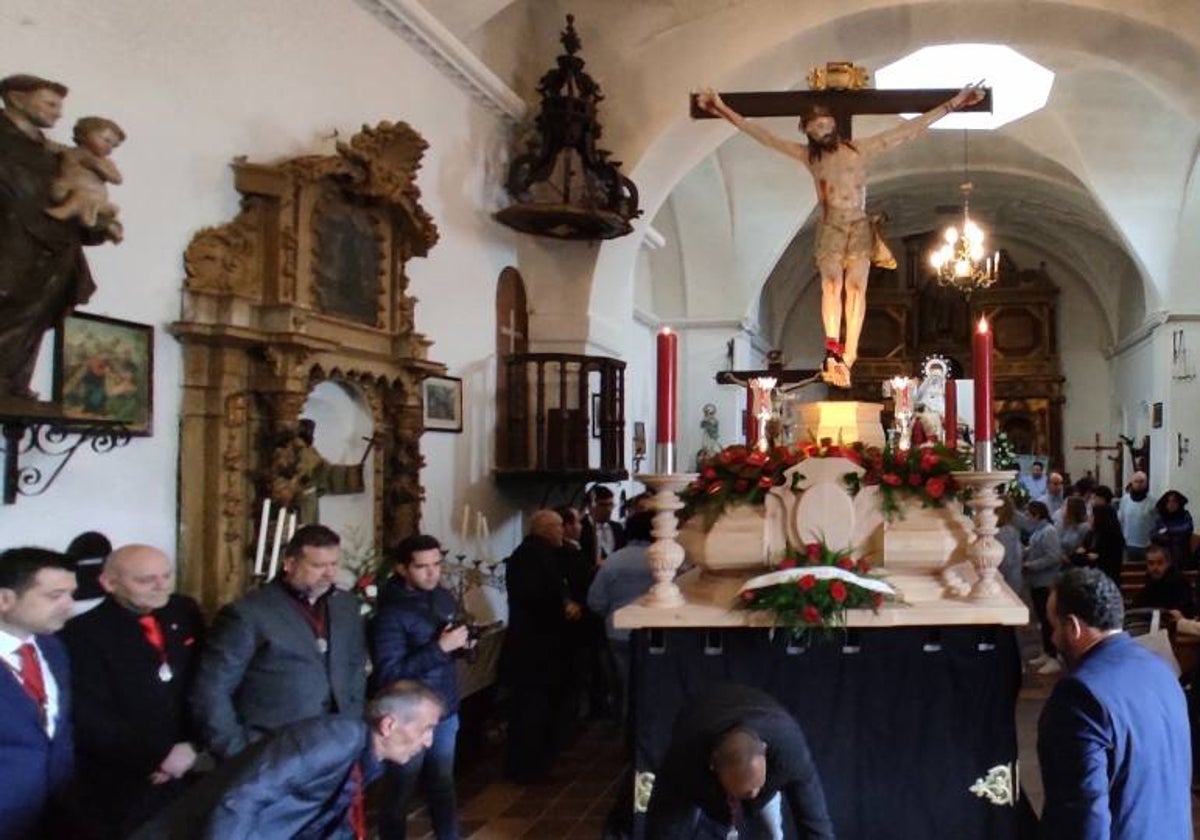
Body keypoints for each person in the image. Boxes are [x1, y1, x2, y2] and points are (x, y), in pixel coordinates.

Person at [696, 84, 983, 388]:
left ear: (833, 124)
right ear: (808, 132)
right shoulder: (809, 157)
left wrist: (954, 103)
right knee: (832, 286)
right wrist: (721, 108)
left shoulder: (860, 149)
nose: (822, 130)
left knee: (856, 289)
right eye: (815, 127)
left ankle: (851, 354)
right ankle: (833, 347)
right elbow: (764, 137)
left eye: (825, 123)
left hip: (859, 225)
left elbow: (908, 130)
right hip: (831, 226)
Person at [130, 680, 444, 840]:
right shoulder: (333, 739)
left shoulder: (367, 757)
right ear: (389, 724)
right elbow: (243, 798)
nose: (429, 741)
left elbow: (330, 819)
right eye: (426, 729)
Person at [58, 544, 205, 839]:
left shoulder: (184, 610)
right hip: (126, 779)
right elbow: (89, 714)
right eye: (145, 580)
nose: (161, 586)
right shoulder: (81, 633)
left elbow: (204, 680)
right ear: (109, 583)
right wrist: (158, 756)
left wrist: (194, 744)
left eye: (166, 575)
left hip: (192, 765)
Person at [1037, 567, 1191, 838]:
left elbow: (1082, 816)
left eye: (1053, 626)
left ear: (1073, 627)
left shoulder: (1079, 696)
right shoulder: (1162, 669)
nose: (1052, 638)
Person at [191, 524, 367, 760]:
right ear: (290, 563)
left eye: (334, 564)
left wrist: (353, 718)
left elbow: (354, 665)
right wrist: (233, 749)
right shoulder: (249, 613)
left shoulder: (345, 604)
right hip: (273, 746)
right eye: (318, 565)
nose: (329, 573)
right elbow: (213, 689)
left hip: (337, 740)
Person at [0, 74, 103, 399]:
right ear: (16, 98)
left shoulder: (53, 153)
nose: (58, 114)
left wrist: (95, 222)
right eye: (50, 103)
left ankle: (12, 386)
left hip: (55, 250)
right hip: (12, 244)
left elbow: (68, 196)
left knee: (32, 321)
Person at [370, 535, 468, 840]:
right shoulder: (390, 612)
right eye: (422, 567)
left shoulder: (442, 597)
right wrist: (441, 648)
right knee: (400, 791)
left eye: (437, 564)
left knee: (443, 785)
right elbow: (390, 673)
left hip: (445, 707)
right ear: (402, 568)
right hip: (408, 715)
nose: (432, 573)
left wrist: (465, 645)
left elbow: (450, 647)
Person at [645, 683, 834, 839]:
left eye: (756, 786)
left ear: (765, 752)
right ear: (714, 765)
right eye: (744, 790)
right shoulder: (684, 759)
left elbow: (815, 824)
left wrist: (758, 791)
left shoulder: (790, 753)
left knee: (771, 832)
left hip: (768, 750)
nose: (752, 794)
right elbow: (662, 826)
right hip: (701, 764)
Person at [499, 509, 581, 783]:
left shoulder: (543, 554)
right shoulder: (529, 556)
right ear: (544, 529)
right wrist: (564, 607)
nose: (563, 531)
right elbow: (535, 598)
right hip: (534, 650)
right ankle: (526, 767)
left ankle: (537, 763)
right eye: (558, 526)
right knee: (530, 711)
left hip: (543, 648)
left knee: (541, 709)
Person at [0, 547, 76, 840]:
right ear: (5, 599)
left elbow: (58, 730)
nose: (69, 605)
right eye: (54, 596)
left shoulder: (52, 647)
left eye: (71, 594)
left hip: (54, 814)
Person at [587, 510, 655, 719]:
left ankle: (627, 730)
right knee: (653, 686)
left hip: (618, 633)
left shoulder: (613, 561)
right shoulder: (664, 560)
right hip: (655, 633)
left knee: (625, 685)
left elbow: (595, 601)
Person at [44, 116, 125, 242]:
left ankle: (104, 224)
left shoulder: (104, 161)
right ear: (84, 135)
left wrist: (105, 168)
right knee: (83, 196)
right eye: (106, 140)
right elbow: (49, 146)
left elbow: (118, 179)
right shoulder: (74, 152)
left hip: (94, 199)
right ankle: (65, 211)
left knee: (109, 209)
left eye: (113, 145)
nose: (109, 147)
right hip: (67, 191)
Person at [1022, 501, 1065, 675]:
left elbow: (1053, 557)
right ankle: (1047, 652)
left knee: (1049, 620)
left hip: (1046, 581)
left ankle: (1055, 656)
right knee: (1042, 617)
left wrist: (1031, 565)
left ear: (1037, 515)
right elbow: (1034, 548)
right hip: (1037, 581)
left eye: (1028, 514)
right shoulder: (1038, 531)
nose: (1026, 517)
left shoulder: (1049, 531)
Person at [1132, 544, 1195, 617]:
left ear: (1168, 563)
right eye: (1151, 563)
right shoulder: (1149, 582)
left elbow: (1185, 609)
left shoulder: (1180, 582)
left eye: (1160, 563)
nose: (1155, 567)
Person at [580, 485, 626, 568]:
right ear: (590, 506)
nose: (609, 509)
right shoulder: (580, 528)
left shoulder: (617, 528)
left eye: (611, 505)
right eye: (603, 505)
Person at [1117, 471, 1155, 566]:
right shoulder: (1125, 500)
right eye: (1136, 481)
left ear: (1146, 483)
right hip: (1127, 544)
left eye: (1142, 481)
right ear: (1132, 483)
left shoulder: (1152, 501)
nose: (1139, 484)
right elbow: (1121, 520)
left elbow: (1156, 523)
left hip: (1146, 545)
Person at [1083, 502, 1125, 585]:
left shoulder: (1113, 536)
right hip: (1090, 575)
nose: (1089, 518)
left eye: (1092, 516)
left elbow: (1112, 560)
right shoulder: (1090, 534)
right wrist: (1086, 555)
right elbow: (1082, 552)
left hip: (1107, 578)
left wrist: (1096, 557)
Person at [1152, 490, 1195, 571]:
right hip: (1164, 554)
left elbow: (1187, 528)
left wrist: (1169, 530)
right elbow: (1154, 534)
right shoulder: (1161, 517)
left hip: (1182, 554)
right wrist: (1171, 535)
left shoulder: (1185, 515)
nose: (1171, 504)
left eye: (1174, 501)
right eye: (1168, 502)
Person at [995, 496, 1023, 594]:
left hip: (1006, 583)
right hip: (1008, 579)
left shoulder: (1005, 532)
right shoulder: (1009, 530)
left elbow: (1006, 562)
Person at [1057, 496, 1091, 565]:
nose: (1062, 508)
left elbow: (1083, 548)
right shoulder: (1065, 524)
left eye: (1065, 505)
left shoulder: (1084, 527)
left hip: (1074, 566)